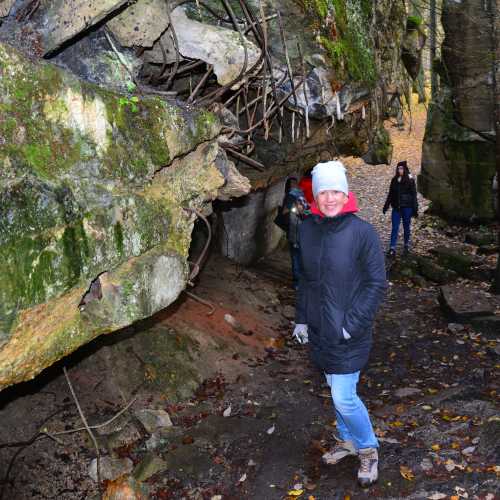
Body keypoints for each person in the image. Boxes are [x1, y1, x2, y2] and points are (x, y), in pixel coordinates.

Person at [292, 161, 387, 487]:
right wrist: (302, 319)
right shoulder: (307, 229)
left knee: (344, 397)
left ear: (345, 193)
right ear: (315, 194)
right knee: (335, 390)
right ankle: (347, 441)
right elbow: (306, 280)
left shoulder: (362, 232)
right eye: (323, 192)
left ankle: (368, 448)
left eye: (335, 191)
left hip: (349, 331)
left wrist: (352, 324)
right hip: (320, 330)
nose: (330, 198)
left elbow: (377, 283)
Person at [383, 160, 418, 257]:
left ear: (405, 169)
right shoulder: (394, 180)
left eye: (401, 168)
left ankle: (406, 245)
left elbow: (414, 195)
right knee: (394, 227)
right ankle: (392, 248)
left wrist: (415, 208)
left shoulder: (410, 179)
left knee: (406, 227)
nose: (400, 170)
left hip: (407, 207)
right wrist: (386, 205)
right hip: (396, 208)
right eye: (398, 168)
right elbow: (390, 194)